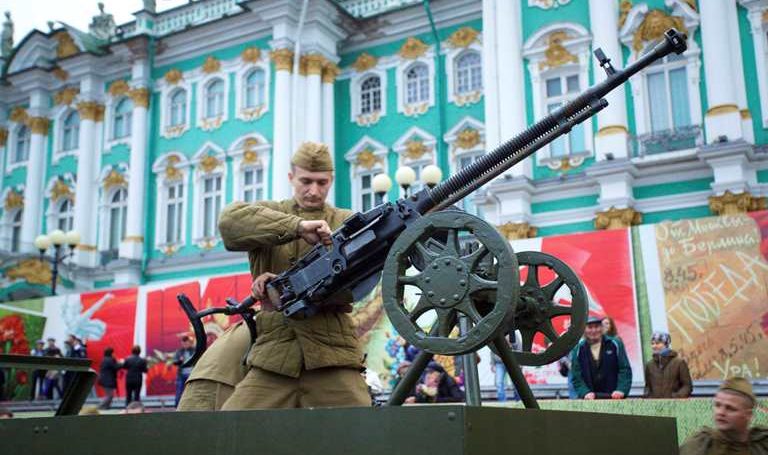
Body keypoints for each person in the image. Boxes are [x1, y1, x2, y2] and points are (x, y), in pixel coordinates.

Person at [217, 141, 370, 410]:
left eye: (322, 183)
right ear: (291, 178)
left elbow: (361, 284)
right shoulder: (269, 213)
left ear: (331, 180)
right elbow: (229, 223)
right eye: (306, 181)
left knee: (361, 434)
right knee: (234, 431)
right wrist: (297, 227)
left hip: (332, 355)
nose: (313, 191)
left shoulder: (346, 222)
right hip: (274, 357)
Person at [680, 377, 768, 454]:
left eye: (730, 408)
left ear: (748, 414)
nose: (721, 412)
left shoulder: (761, 445)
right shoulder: (700, 445)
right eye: (718, 405)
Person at [177, 321, 251, 411]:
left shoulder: (197, 349)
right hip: (195, 377)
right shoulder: (181, 351)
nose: (184, 344)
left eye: (186, 341)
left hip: (196, 376)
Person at [570, 316, 632, 400]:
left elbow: (625, 369)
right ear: (584, 329)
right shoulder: (578, 348)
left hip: (614, 397)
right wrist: (584, 392)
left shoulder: (615, 344)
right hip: (589, 399)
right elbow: (576, 375)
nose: (594, 330)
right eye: (590, 327)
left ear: (602, 328)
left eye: (596, 327)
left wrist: (621, 390)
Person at [644, 331, 692, 398]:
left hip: (675, 407)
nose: (654, 346)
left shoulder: (679, 363)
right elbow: (647, 388)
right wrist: (650, 399)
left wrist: (675, 398)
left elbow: (687, 386)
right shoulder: (649, 365)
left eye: (658, 343)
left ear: (666, 344)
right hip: (655, 407)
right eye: (652, 343)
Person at [172, 335, 195, 407]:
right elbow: (174, 362)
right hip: (181, 374)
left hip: (191, 374)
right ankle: (177, 407)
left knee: (191, 391)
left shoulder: (194, 350)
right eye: (183, 343)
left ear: (189, 342)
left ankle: (191, 406)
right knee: (179, 391)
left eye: (186, 343)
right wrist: (179, 361)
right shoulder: (179, 351)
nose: (185, 345)